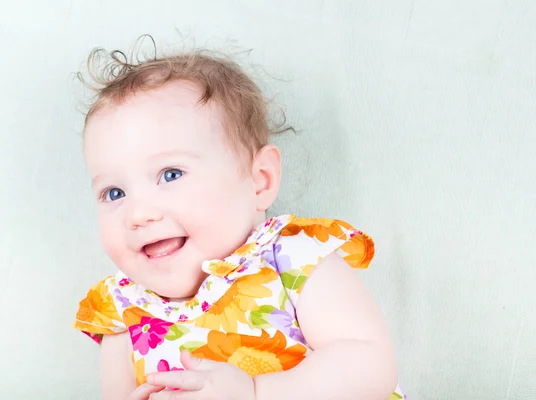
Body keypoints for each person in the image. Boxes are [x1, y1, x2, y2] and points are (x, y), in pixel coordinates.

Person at [73, 41, 406, 400]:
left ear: (259, 179)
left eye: (170, 174)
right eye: (114, 193)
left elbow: (370, 367)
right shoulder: (122, 308)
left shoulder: (293, 260)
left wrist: (255, 392)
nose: (138, 215)